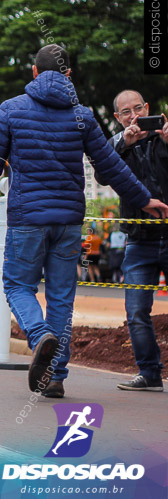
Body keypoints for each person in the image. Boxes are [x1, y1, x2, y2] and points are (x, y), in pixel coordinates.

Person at [0, 45, 168, 399]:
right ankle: (55, 376)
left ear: (34, 72)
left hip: (28, 218)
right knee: (61, 297)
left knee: (16, 285)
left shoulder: (10, 110)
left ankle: (38, 334)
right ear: (69, 75)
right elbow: (110, 166)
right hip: (69, 221)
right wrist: (142, 198)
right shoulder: (83, 116)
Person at [96, 89, 168, 392]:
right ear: (117, 118)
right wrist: (123, 143)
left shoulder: (164, 135)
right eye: (126, 112)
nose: (134, 116)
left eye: (138, 108)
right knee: (136, 310)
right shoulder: (116, 145)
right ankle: (149, 373)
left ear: (148, 107)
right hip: (139, 240)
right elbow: (101, 174)